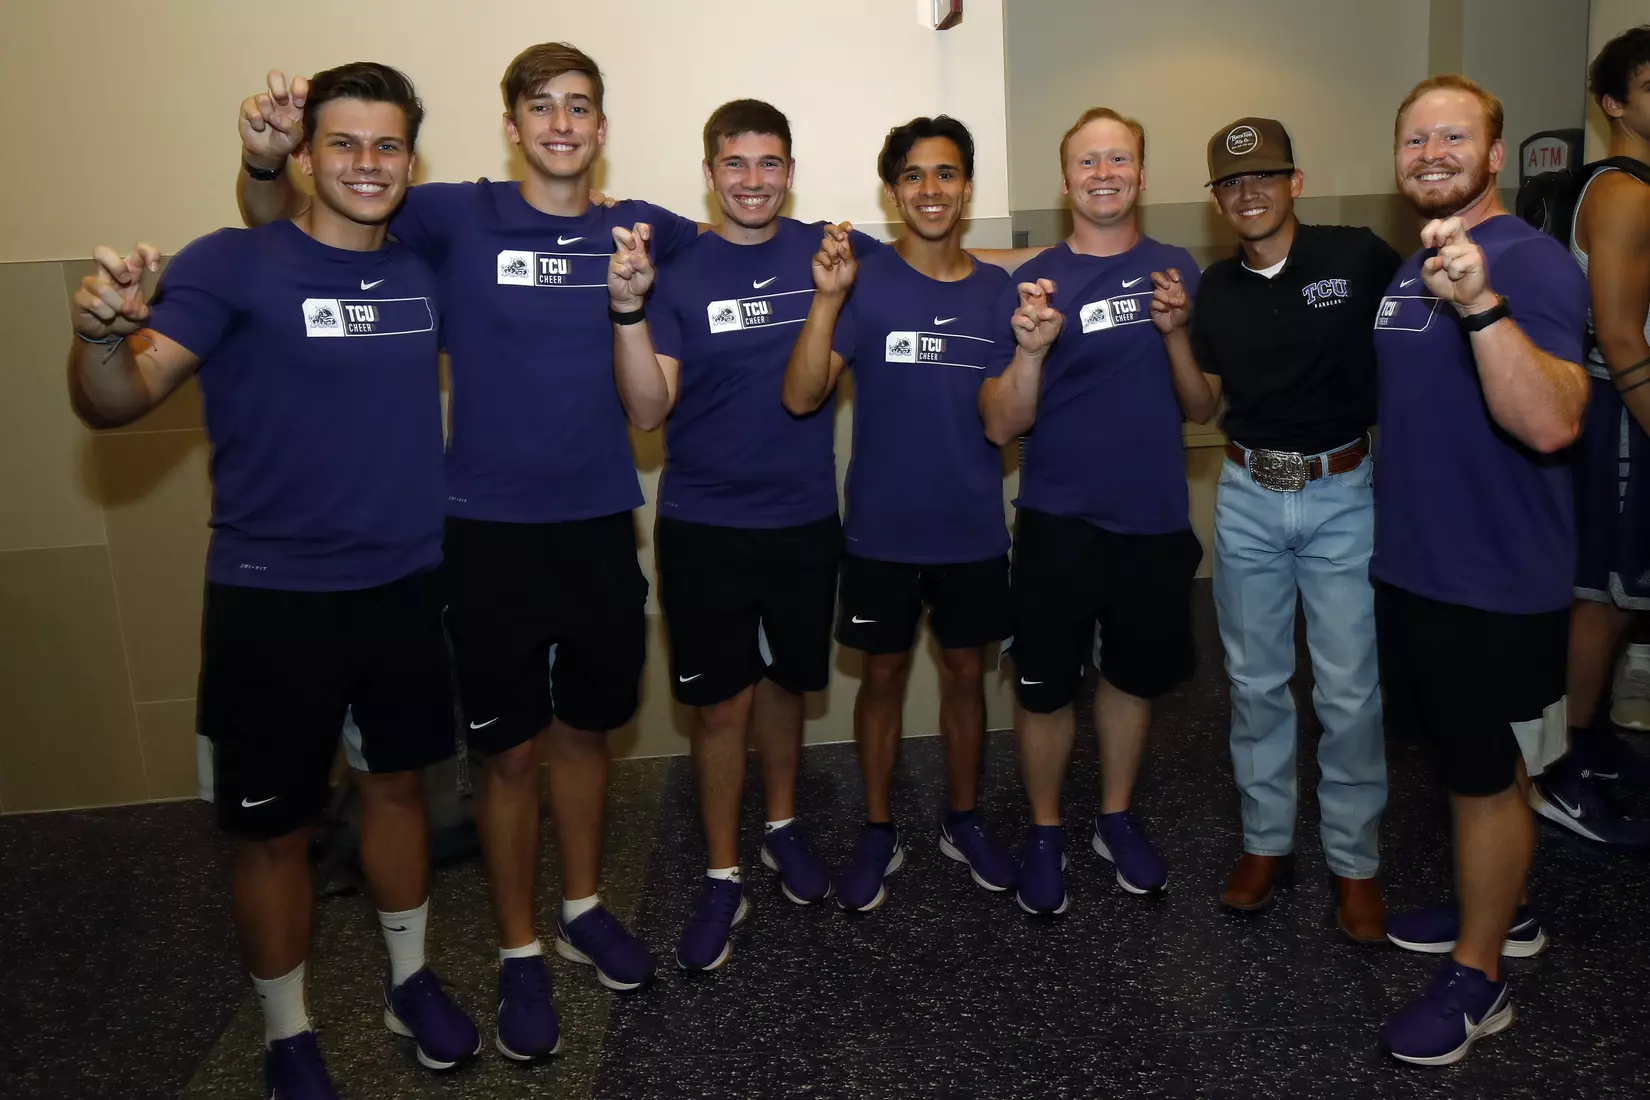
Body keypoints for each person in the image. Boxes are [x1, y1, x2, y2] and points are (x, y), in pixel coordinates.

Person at [235, 43, 703, 1043]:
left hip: (597, 526)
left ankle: (581, 907)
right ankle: (519, 949)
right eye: (543, 106)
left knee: (586, 734)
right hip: (484, 532)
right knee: (510, 753)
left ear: (602, 128)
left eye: (581, 106)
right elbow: (296, 234)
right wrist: (269, 164)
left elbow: (753, 246)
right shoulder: (452, 213)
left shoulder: (641, 232)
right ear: (513, 123)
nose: (563, 124)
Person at [71, 63, 477, 1099]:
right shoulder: (232, 265)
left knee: (397, 791)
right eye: (343, 143)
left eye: (388, 145)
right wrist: (100, 338)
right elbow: (121, 396)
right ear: (304, 154)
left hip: (400, 585)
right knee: (273, 829)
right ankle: (288, 1031)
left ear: (410, 159)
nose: (367, 163)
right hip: (270, 595)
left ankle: (410, 977)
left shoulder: (422, 271)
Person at [603, 99, 873, 968]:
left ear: (790, 173)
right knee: (720, 706)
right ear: (711, 173)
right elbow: (651, 408)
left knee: (789, 684)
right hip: (703, 523)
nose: (752, 181)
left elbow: (947, 272)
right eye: (735, 164)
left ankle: (784, 828)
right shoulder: (681, 270)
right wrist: (629, 314)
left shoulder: (833, 256)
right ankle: (723, 873)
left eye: (769, 164)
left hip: (802, 519)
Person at [1370, 75, 1589, 1067]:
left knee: (1486, 783)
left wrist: (1482, 304)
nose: (1431, 153)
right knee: (1469, 766)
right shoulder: (1407, 269)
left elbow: (1551, 419)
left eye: (1454, 136)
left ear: (1495, 155)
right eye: (1416, 139)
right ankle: (1509, 912)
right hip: (1418, 567)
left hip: (1494, 580)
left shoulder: (1528, 264)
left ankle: (1480, 975)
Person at [780, 115, 1018, 911]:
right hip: (880, 529)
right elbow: (804, 394)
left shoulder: (997, 292)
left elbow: (1003, 416)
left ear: (967, 186)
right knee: (880, 677)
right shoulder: (866, 283)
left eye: (946, 174)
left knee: (962, 675)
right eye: (913, 176)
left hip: (972, 528)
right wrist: (824, 301)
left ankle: (963, 818)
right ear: (892, 192)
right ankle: (878, 827)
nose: (931, 190)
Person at [978, 107, 1212, 915]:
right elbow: (1001, 424)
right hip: (1056, 522)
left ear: (1142, 174)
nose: (1104, 172)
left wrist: (1177, 335)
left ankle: (1115, 816)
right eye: (1088, 161)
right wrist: (1030, 350)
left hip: (1150, 520)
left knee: (1130, 677)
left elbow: (1202, 403)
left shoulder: (1177, 267)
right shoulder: (1033, 281)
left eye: (1120, 158)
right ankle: (1045, 829)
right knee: (1044, 688)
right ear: (1066, 177)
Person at [1184, 117, 1398, 939]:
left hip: (1344, 491)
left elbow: (1418, 339)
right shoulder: (1216, 288)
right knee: (1254, 683)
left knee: (1348, 691)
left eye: (1265, 177)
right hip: (1246, 491)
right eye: (1233, 183)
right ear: (1217, 198)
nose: (1249, 193)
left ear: (1295, 182)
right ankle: (1266, 843)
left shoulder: (1356, 256)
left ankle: (1355, 861)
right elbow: (1202, 401)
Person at [1533, 23, 1650, 846]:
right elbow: (1618, 333)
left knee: (1613, 594)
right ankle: (1564, 764)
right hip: (1621, 409)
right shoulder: (1624, 192)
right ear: (1614, 104)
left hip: (1620, 405)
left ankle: (1592, 738)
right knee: (1602, 598)